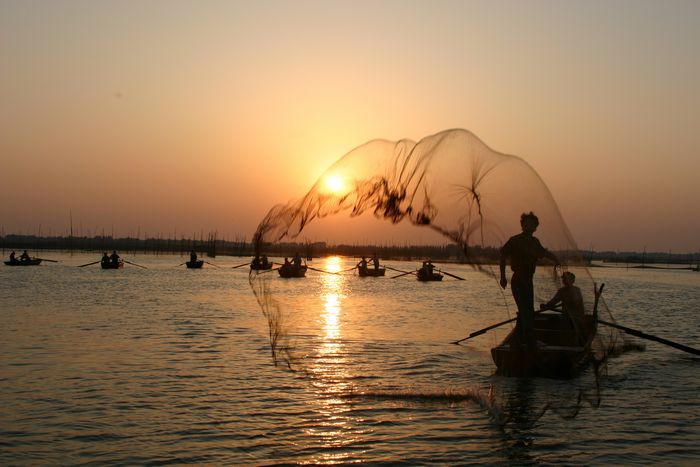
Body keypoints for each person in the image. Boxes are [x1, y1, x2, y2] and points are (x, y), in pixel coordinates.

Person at [499, 212, 559, 349]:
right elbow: (502, 256)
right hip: (518, 280)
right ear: (522, 225)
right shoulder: (514, 240)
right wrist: (502, 277)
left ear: (535, 227)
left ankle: (518, 341)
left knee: (526, 311)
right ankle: (529, 341)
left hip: (528, 280)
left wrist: (555, 259)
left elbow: (544, 253)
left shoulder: (534, 242)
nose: (528, 226)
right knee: (526, 311)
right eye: (525, 223)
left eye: (531, 224)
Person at [540, 271, 585, 342]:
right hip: (565, 316)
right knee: (551, 320)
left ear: (572, 281)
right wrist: (546, 306)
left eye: (566, 279)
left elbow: (580, 305)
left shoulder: (576, 290)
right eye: (563, 279)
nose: (564, 281)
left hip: (576, 317)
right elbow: (553, 302)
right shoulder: (562, 291)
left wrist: (582, 317)